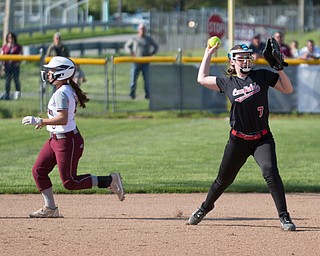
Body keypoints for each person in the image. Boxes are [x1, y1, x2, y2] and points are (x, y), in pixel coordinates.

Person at [187, 41, 296, 231]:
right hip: (238, 140)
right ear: (232, 62)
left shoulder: (261, 76)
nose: (245, 61)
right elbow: (201, 78)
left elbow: (288, 89)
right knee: (223, 180)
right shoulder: (228, 82)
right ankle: (205, 208)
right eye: (241, 58)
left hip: (262, 138)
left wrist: (279, 69)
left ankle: (284, 216)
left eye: (248, 57)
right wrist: (208, 52)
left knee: (270, 172)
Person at [21, 56, 124, 218]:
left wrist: (40, 120)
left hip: (67, 141)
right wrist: (45, 124)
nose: (49, 73)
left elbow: (62, 118)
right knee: (38, 171)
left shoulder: (62, 93)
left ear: (62, 73)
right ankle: (50, 208)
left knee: (70, 183)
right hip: (56, 139)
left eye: (52, 70)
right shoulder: (64, 89)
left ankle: (110, 180)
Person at [125, 23, 158, 99]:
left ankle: (147, 95)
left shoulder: (148, 39)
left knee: (147, 80)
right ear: (138, 30)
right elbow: (127, 46)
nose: (142, 30)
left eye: (143, 29)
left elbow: (156, 46)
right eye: (141, 29)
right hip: (136, 62)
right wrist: (131, 52)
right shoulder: (134, 38)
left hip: (145, 63)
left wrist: (151, 54)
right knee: (133, 80)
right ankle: (132, 94)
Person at [0, 32, 23, 100]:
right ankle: (7, 94)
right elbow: (2, 56)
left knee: (16, 79)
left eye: (12, 37)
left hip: (15, 66)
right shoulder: (5, 46)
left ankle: (18, 93)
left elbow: (22, 55)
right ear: (7, 38)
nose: (11, 39)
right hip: (7, 66)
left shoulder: (18, 46)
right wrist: (3, 65)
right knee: (7, 80)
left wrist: (18, 63)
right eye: (9, 37)